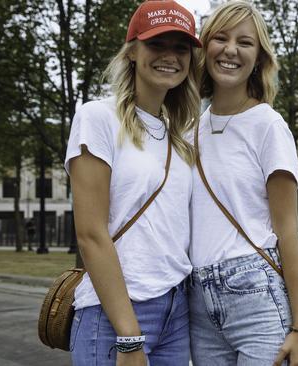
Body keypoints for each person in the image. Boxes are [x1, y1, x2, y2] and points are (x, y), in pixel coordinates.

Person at [64, 1, 201, 365]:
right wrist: (129, 336)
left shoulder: (180, 135)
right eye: (157, 44)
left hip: (176, 311)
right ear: (132, 51)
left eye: (181, 48)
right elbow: (91, 235)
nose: (170, 56)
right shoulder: (98, 117)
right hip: (115, 315)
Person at [189, 1, 298, 365]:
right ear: (205, 46)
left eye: (245, 42)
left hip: (256, 296)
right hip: (196, 303)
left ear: (258, 58)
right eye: (220, 38)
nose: (230, 50)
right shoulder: (188, 130)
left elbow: (288, 231)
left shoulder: (268, 126)